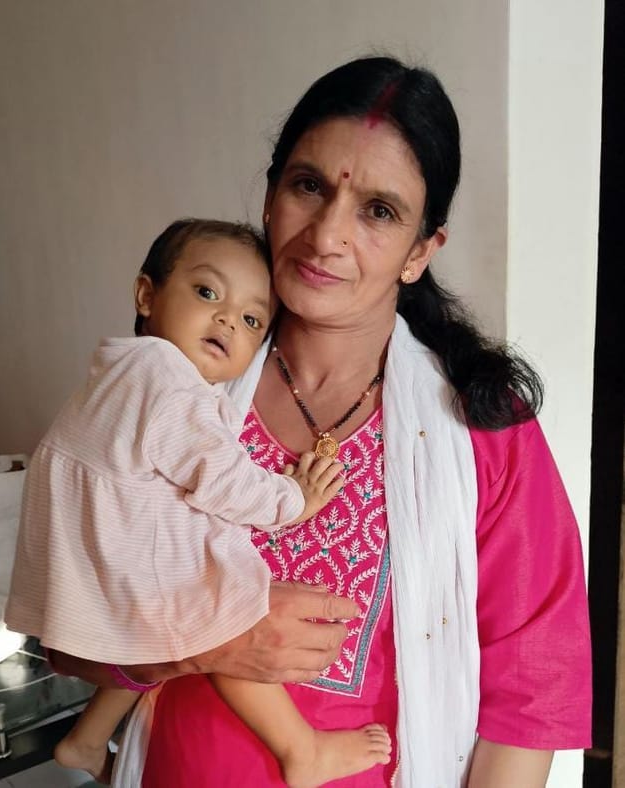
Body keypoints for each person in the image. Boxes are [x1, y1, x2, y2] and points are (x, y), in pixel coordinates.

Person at [40, 56, 592, 787]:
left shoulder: (481, 424)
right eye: (309, 186)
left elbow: (534, 689)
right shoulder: (169, 390)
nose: (328, 234)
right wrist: (204, 646)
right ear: (271, 197)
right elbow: (69, 632)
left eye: (379, 211)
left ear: (421, 251)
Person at [5, 218, 393, 786]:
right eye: (208, 292)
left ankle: (87, 737)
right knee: (229, 609)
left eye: (252, 319)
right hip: (118, 560)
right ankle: (300, 748)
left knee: (167, 614)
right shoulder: (168, 381)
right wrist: (295, 498)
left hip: (95, 564)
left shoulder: (119, 368)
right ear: (147, 295)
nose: (227, 320)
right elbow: (223, 479)